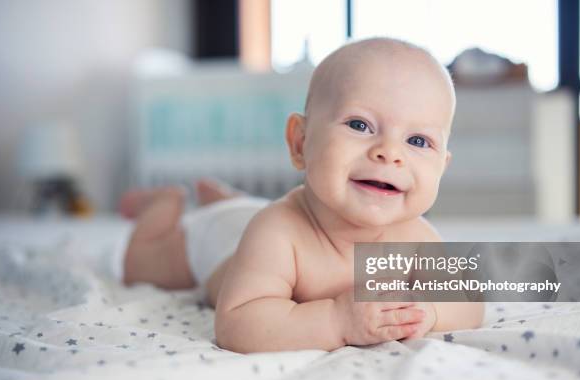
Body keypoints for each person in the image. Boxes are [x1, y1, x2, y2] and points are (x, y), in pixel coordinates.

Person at [117, 38, 484, 353]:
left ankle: (224, 197)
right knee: (143, 265)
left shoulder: (416, 238)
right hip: (215, 241)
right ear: (300, 142)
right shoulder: (278, 232)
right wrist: (337, 320)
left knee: (239, 209)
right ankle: (163, 203)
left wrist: (430, 311)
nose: (390, 153)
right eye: (360, 125)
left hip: (246, 214)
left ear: (441, 167)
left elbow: (470, 301)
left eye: (418, 141)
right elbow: (238, 324)